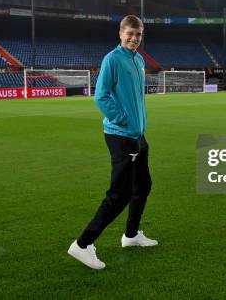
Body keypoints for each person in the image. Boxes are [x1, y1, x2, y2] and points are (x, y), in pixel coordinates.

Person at [68, 15, 157, 270]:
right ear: (120, 34)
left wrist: (138, 125)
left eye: (138, 34)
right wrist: (123, 119)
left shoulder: (138, 59)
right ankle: (83, 245)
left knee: (143, 185)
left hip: (138, 135)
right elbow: (101, 95)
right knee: (120, 193)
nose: (134, 39)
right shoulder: (112, 59)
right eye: (130, 34)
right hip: (120, 135)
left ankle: (131, 236)